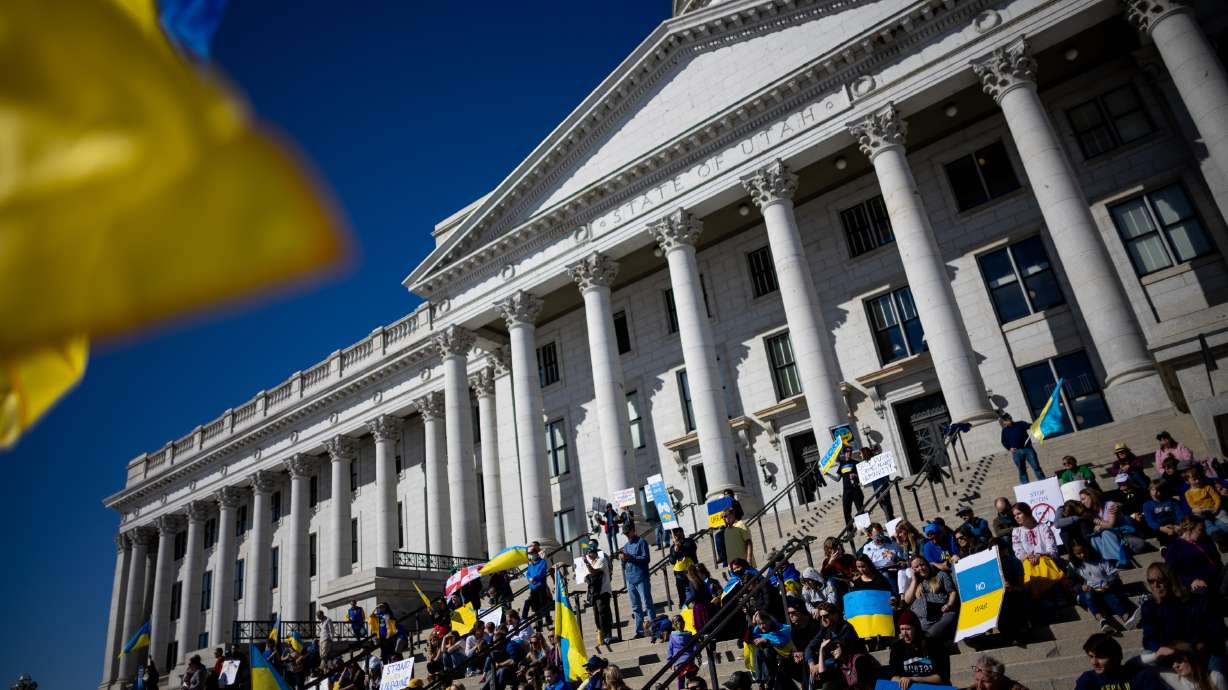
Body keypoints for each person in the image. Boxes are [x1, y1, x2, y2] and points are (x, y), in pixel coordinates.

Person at [1139, 562, 1226, 668]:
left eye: (1160, 580)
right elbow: (1149, 638)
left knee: (1220, 656)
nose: (1156, 586)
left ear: (1170, 579)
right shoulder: (1149, 607)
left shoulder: (1196, 601)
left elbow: (1216, 630)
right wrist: (1164, 650)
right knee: (1144, 658)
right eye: (1151, 581)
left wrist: (1195, 646)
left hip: (1199, 651)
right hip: (1171, 654)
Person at [1067, 541, 1135, 634]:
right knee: (1089, 596)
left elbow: (1114, 575)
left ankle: (1126, 617)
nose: (1082, 555)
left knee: (1108, 595)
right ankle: (1101, 620)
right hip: (1085, 594)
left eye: (1083, 551)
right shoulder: (1073, 566)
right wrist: (1081, 587)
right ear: (1073, 554)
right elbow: (1071, 584)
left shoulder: (1100, 560)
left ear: (1088, 549)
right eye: (1078, 554)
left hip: (1103, 590)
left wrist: (1109, 583)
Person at [1010, 502, 1062, 600]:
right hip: (1028, 564)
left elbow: (1052, 550)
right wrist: (1028, 556)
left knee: (1043, 565)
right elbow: (1018, 551)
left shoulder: (1043, 528)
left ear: (1027, 512)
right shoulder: (1016, 532)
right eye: (1014, 515)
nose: (1016, 517)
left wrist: (1040, 555)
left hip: (1046, 562)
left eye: (1019, 514)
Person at [887, 609, 950, 690]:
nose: (904, 634)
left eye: (908, 629)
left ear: (916, 628)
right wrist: (901, 681)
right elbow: (892, 676)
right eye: (902, 629)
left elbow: (942, 677)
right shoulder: (897, 647)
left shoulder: (934, 644)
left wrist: (913, 679)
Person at [902, 556, 959, 640]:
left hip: (942, 615)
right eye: (916, 567)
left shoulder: (940, 575)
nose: (920, 568)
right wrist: (914, 580)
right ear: (912, 570)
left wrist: (949, 604)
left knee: (928, 636)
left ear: (927, 564)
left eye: (922, 564)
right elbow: (907, 600)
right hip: (923, 620)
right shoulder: (914, 583)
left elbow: (952, 592)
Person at [1163, 518, 1223, 595]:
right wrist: (1191, 580)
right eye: (1200, 530)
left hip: (1217, 576)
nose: (1204, 532)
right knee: (1203, 592)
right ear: (1189, 529)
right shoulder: (1175, 547)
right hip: (1198, 583)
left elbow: (1217, 559)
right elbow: (1172, 572)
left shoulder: (1206, 540)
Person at [1081, 487, 1138, 566]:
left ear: (1091, 496)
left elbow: (1111, 525)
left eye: (1083, 499)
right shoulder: (1092, 512)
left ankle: (1120, 559)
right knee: (1094, 538)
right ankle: (1107, 562)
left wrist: (1097, 523)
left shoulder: (1110, 505)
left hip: (1124, 532)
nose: (1082, 502)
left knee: (1106, 533)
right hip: (1114, 534)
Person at [1075, 633, 1150, 690]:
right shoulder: (1088, 680)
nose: (1094, 662)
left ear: (1116, 657)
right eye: (1091, 656)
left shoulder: (1140, 677)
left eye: (1100, 657)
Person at [620, 522, 654, 638]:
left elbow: (646, 559)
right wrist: (623, 559)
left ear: (633, 530)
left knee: (647, 604)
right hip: (630, 579)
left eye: (627, 533)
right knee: (635, 607)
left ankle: (653, 627)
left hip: (641, 577)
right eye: (624, 533)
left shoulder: (641, 542)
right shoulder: (625, 546)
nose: (626, 535)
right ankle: (639, 631)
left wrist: (630, 557)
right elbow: (625, 564)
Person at [749, 610, 795, 690]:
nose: (762, 626)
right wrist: (753, 623)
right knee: (758, 652)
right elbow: (748, 637)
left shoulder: (780, 628)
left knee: (767, 650)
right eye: (759, 624)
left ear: (769, 621)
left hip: (782, 657)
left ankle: (768, 681)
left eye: (764, 623)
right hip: (769, 660)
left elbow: (781, 640)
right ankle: (761, 682)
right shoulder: (758, 629)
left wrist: (766, 640)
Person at [1155, 642, 1228, 690]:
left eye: (1179, 660)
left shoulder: (1215, 677)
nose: (1175, 666)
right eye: (1171, 662)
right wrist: (1155, 656)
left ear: (1191, 658)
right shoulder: (1173, 678)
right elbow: (1143, 667)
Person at [583, 539, 615, 645]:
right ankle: (601, 634)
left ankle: (607, 635)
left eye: (590, 552)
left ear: (594, 553)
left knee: (603, 614)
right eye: (587, 553)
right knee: (597, 614)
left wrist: (587, 564)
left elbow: (594, 572)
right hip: (595, 593)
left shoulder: (601, 560)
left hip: (603, 591)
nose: (588, 554)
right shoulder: (591, 562)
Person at [1184, 467, 1228, 539]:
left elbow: (1216, 498)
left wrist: (1216, 508)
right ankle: (1217, 537)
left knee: (1225, 518)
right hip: (1203, 513)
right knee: (1206, 525)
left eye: (1199, 478)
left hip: (1215, 509)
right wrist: (1199, 509)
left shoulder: (1207, 487)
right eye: (1194, 480)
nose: (1197, 481)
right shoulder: (1188, 493)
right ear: (1187, 481)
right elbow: (1191, 504)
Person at [1000, 414, 1043, 484]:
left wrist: (1038, 423)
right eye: (1006, 420)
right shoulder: (1004, 431)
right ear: (1004, 422)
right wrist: (1009, 448)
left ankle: (1043, 481)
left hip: (1028, 449)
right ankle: (1025, 485)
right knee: (1022, 470)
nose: (1008, 420)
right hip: (1016, 452)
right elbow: (1003, 441)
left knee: (1036, 466)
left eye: (1009, 418)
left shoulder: (1020, 424)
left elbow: (1031, 426)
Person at [523, 542, 553, 626]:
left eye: (532, 554)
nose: (531, 555)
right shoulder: (530, 564)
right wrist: (530, 579)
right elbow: (528, 573)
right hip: (533, 587)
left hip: (540, 586)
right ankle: (539, 621)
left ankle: (548, 619)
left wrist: (534, 578)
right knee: (535, 605)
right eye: (530, 554)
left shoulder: (542, 562)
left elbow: (542, 571)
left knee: (543, 603)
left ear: (536, 553)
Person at [666, 615, 698, 688]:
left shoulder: (672, 636)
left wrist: (670, 662)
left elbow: (670, 649)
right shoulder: (689, 635)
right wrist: (697, 653)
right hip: (689, 659)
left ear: (674, 625)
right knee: (691, 678)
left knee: (681, 679)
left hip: (678, 661)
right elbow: (694, 646)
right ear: (684, 623)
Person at [684, 564, 717, 631]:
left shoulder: (692, 582)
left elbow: (694, 595)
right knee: (707, 624)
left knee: (700, 626)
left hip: (699, 606)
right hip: (706, 605)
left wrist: (687, 602)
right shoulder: (702, 581)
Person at [670, 527, 698, 603]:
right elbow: (672, 561)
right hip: (679, 573)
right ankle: (682, 604)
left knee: (694, 590)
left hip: (690, 570)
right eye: (675, 534)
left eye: (679, 532)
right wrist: (675, 550)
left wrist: (680, 546)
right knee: (682, 593)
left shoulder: (689, 541)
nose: (677, 535)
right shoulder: (673, 547)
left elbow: (692, 550)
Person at [837, 448, 865, 525]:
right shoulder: (841, 464)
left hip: (855, 489)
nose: (848, 454)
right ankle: (849, 530)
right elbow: (837, 479)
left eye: (849, 452)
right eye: (846, 452)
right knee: (846, 510)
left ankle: (864, 527)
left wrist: (855, 475)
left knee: (860, 509)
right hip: (846, 491)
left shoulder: (856, 463)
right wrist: (827, 474)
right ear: (844, 453)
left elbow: (862, 476)